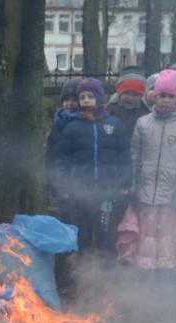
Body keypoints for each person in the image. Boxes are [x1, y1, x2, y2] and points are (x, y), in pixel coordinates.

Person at [116, 69, 176, 270]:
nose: (165, 100)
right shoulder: (143, 123)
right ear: (155, 96)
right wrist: (133, 185)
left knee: (165, 235)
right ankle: (144, 271)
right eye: (162, 95)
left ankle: (165, 272)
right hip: (145, 192)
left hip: (171, 194)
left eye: (171, 96)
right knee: (146, 235)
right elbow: (135, 157)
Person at [55, 78, 131, 254]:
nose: (86, 100)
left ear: (100, 98)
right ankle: (83, 266)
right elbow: (63, 160)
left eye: (90, 96)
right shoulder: (72, 127)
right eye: (82, 97)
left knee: (105, 229)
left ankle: (106, 267)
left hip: (108, 190)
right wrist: (64, 186)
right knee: (83, 230)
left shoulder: (114, 125)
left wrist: (125, 183)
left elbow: (124, 157)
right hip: (80, 190)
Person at [45, 78, 82, 208]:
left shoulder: (84, 123)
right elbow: (50, 152)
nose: (70, 103)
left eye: (74, 99)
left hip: (78, 176)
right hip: (59, 173)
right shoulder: (58, 124)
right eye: (66, 100)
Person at [107, 68, 150, 137]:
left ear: (141, 96)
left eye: (135, 94)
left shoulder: (146, 112)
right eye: (126, 93)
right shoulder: (110, 110)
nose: (130, 98)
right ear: (119, 93)